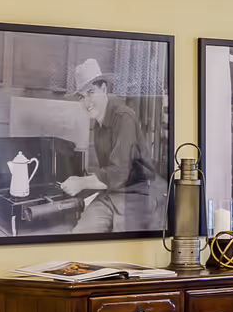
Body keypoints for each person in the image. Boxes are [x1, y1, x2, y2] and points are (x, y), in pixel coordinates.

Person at [59, 58, 160, 233]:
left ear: (104, 89)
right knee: (79, 235)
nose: (87, 102)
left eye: (91, 92)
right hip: (110, 194)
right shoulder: (98, 124)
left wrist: (82, 183)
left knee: (120, 244)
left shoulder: (123, 117)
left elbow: (120, 172)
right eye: (82, 97)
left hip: (134, 195)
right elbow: (108, 174)